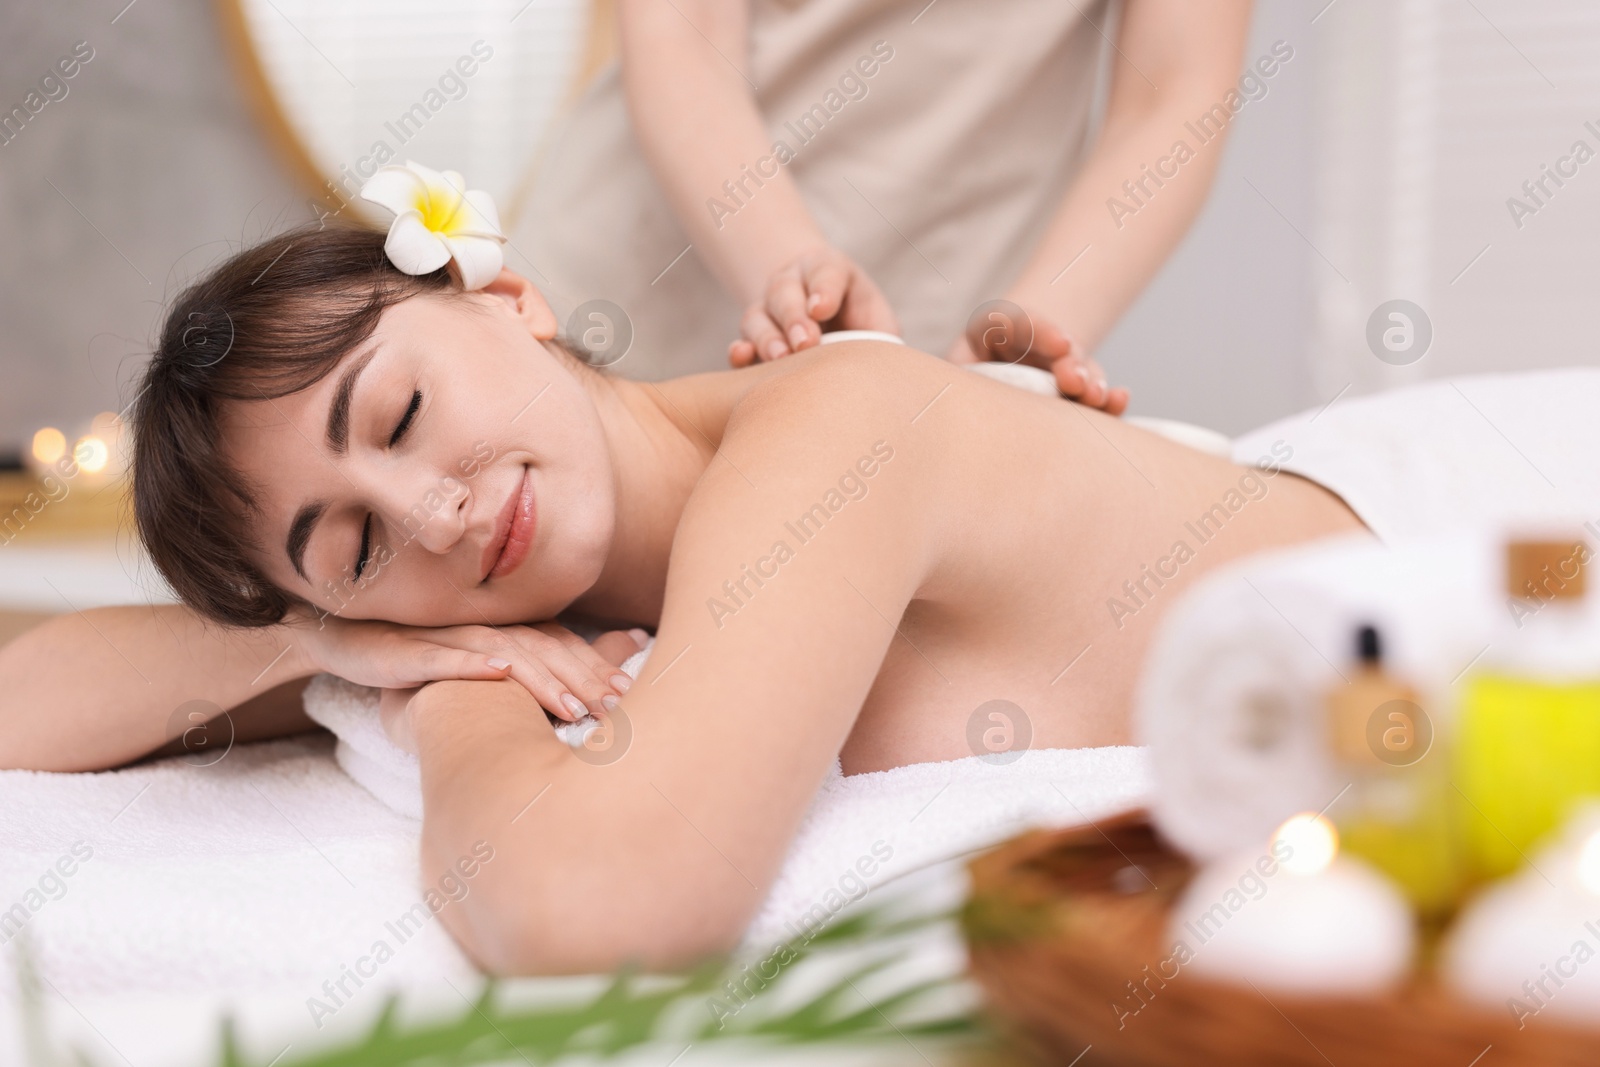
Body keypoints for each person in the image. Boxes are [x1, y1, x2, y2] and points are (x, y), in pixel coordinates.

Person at [0, 226, 1364, 972]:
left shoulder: (831, 430)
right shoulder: (557, 604)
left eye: (405, 409)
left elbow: (593, 909)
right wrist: (316, 640)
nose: (430, 510)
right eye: (349, 544)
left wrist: (445, 708)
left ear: (512, 300)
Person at [517, 0, 1255, 410]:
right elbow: (685, 25)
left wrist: (1033, 339)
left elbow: (1176, 91)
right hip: (626, 307)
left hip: (928, 361)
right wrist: (794, 278)